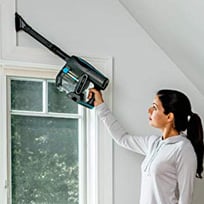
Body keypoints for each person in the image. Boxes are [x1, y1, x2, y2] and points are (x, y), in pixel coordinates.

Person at [88, 88, 204, 204]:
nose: (149, 110)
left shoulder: (183, 149)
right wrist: (100, 106)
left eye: (155, 107)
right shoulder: (153, 143)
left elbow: (186, 198)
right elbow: (122, 138)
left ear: (169, 117)